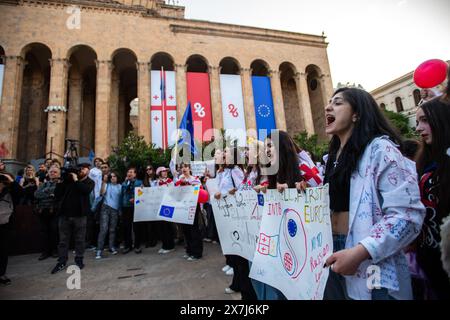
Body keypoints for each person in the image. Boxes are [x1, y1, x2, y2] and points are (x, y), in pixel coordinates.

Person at [322, 87, 425, 300]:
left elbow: (407, 215)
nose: (327, 107)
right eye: (330, 102)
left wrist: (360, 252)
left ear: (356, 114)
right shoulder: (332, 158)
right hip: (333, 252)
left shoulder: (382, 150)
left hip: (372, 261)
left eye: (338, 102)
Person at [250, 130, 308, 300]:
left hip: (300, 246)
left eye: (270, 145)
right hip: (280, 244)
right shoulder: (272, 174)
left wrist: (301, 187)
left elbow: (318, 191)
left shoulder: (303, 167)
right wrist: (269, 190)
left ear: (282, 147)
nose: (266, 150)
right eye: (265, 146)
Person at [414, 96, 450, 299]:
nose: (418, 128)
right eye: (418, 122)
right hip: (428, 257)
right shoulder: (425, 162)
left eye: (425, 120)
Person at [214, 146, 257, 300]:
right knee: (237, 255)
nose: (223, 154)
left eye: (226, 152)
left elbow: (243, 191)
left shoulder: (236, 171)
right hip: (230, 216)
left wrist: (233, 192)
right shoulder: (226, 171)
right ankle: (238, 283)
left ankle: (241, 286)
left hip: (240, 217)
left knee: (242, 258)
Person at [51, 163, 95, 274]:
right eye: (80, 169)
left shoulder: (89, 182)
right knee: (63, 241)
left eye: (84, 169)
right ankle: (61, 261)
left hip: (80, 216)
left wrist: (76, 180)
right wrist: (62, 181)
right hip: (64, 215)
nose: (82, 171)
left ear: (88, 171)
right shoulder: (67, 181)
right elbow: (57, 194)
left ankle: (79, 260)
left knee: (80, 240)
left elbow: (85, 191)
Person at [175, 163, 203, 261]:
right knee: (186, 230)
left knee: (194, 229)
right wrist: (180, 183)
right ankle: (189, 251)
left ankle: (197, 253)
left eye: (186, 167)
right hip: (183, 207)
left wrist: (188, 184)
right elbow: (176, 193)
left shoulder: (195, 179)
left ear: (190, 169)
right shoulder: (179, 180)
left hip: (193, 207)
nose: (184, 169)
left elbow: (200, 191)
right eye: (181, 167)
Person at [34, 166, 61, 260]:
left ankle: (54, 250)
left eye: (55, 172)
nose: (52, 173)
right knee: (44, 232)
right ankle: (45, 252)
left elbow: (57, 194)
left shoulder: (60, 184)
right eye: (51, 172)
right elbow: (37, 194)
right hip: (42, 211)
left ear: (59, 174)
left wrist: (46, 193)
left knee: (54, 231)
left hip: (54, 211)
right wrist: (49, 193)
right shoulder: (44, 184)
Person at [0, 171, 21, 286]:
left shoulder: (10, 192)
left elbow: (21, 193)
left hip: (5, 225)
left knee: (3, 251)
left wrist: (11, 181)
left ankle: (2, 274)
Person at [96, 172, 122, 259]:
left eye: (115, 176)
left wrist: (120, 211)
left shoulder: (120, 186)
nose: (113, 178)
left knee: (112, 229)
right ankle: (99, 250)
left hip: (115, 210)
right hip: (105, 208)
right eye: (111, 176)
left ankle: (111, 247)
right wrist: (104, 181)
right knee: (103, 229)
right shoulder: (107, 184)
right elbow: (101, 193)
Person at [121, 167, 143, 254]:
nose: (129, 173)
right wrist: (127, 183)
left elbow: (141, 193)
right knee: (127, 227)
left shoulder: (139, 182)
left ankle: (137, 246)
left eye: (131, 172)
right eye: (128, 172)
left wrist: (135, 198)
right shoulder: (124, 183)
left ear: (135, 174)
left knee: (136, 227)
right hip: (126, 206)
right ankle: (127, 246)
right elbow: (123, 192)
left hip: (135, 207)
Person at [156, 167, 176, 254]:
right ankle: (164, 245)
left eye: (165, 171)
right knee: (162, 226)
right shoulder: (157, 182)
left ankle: (170, 246)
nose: (164, 173)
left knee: (168, 226)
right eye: (163, 172)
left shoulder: (170, 181)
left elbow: (173, 192)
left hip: (168, 205)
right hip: (160, 205)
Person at [87, 157, 104, 250]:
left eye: (99, 161)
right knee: (93, 219)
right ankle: (91, 242)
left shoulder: (104, 172)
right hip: (95, 196)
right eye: (96, 161)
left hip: (102, 196)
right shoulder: (93, 171)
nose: (98, 163)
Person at [143, 164, 159, 248]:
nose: (148, 170)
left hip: (156, 203)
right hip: (148, 204)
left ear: (153, 170)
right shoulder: (145, 181)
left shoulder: (157, 179)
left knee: (155, 223)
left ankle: (155, 240)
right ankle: (149, 240)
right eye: (147, 169)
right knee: (148, 223)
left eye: (150, 169)